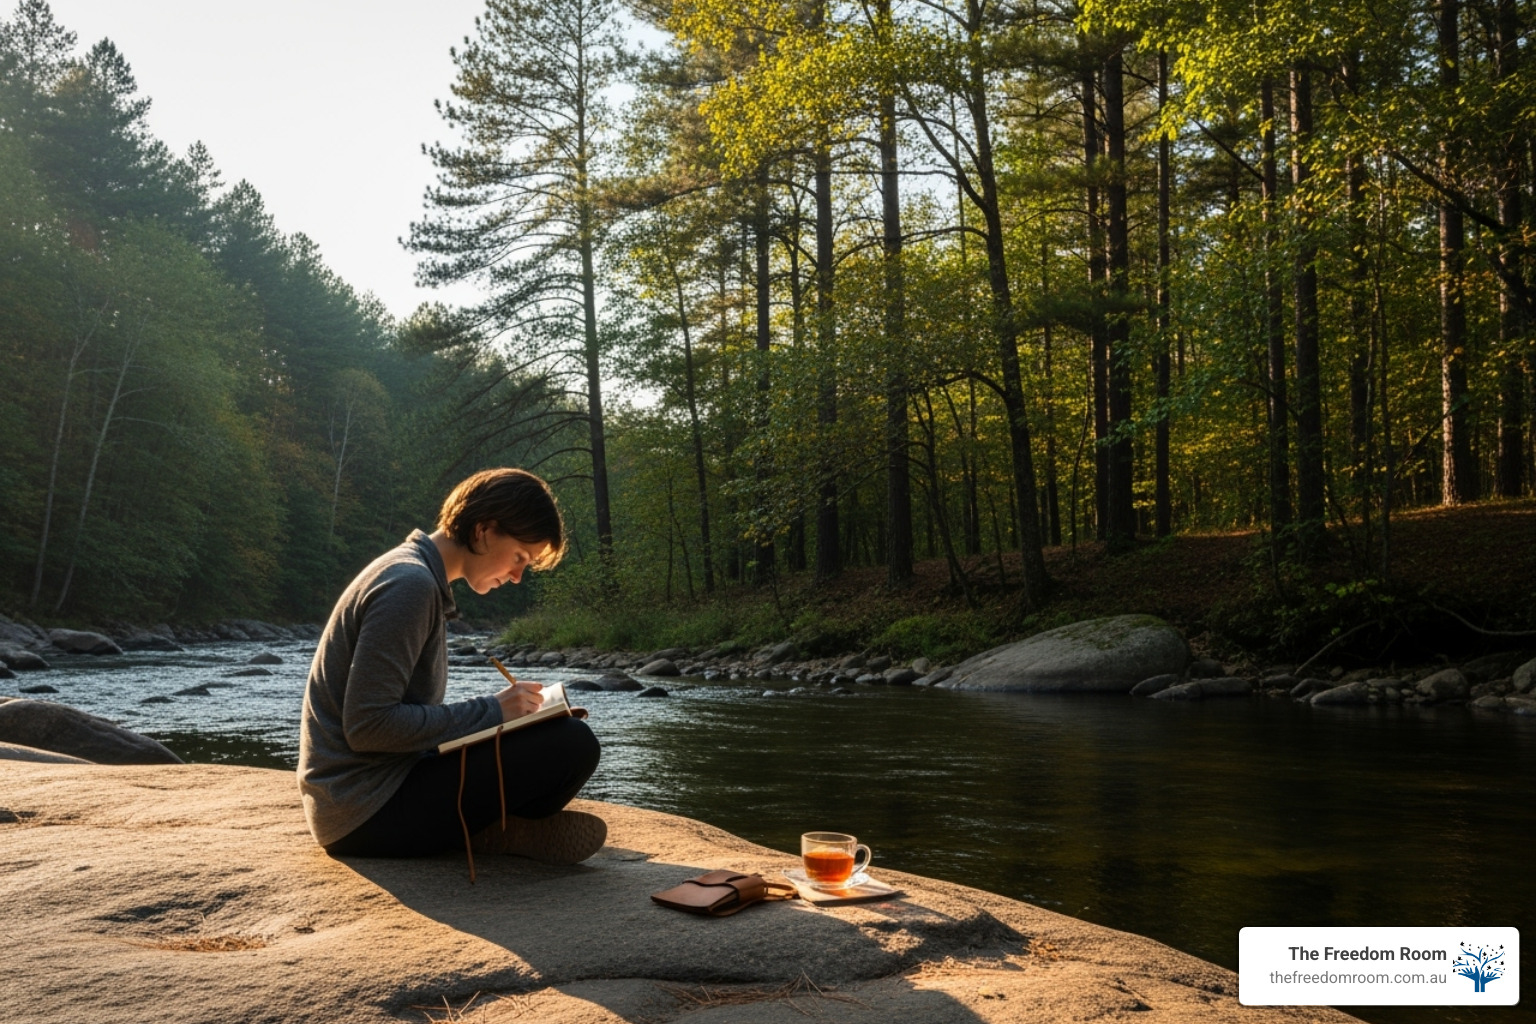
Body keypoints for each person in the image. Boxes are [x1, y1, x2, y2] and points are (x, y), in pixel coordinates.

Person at [298, 467, 604, 866]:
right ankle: (491, 830)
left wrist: (499, 720)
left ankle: (484, 828)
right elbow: (368, 726)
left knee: (557, 735)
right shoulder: (410, 586)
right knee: (571, 745)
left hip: (372, 790)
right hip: (364, 810)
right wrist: (494, 711)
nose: (516, 577)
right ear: (484, 530)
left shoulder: (413, 573)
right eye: (519, 558)